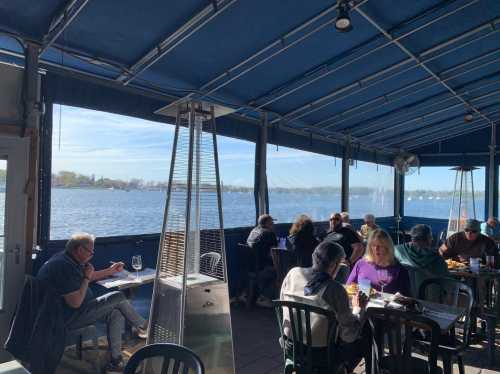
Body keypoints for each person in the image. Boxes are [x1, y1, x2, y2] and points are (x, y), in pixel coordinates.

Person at [37, 233, 148, 372]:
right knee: (118, 296)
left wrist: (110, 271)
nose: (92, 255)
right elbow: (76, 303)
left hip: (74, 311)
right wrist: (86, 277)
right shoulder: (63, 267)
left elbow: (88, 277)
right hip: (64, 318)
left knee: (116, 313)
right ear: (79, 250)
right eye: (90, 252)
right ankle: (143, 326)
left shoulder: (66, 259)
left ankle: (115, 362)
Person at [280, 241, 370, 373]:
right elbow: (349, 335)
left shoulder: (292, 274)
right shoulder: (335, 290)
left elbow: (283, 304)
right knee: (363, 338)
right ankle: (343, 370)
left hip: (290, 346)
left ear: (313, 257)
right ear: (334, 266)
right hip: (321, 355)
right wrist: (358, 308)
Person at [347, 229, 411, 296]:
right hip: (362, 304)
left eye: (380, 246)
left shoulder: (399, 269)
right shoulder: (361, 263)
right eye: (373, 245)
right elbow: (349, 286)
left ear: (388, 247)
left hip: (387, 305)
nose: (376, 249)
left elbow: (407, 297)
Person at [395, 224, 449, 295]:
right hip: (431, 300)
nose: (432, 239)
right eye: (430, 236)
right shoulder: (437, 259)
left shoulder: (397, 251)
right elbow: (446, 280)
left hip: (404, 295)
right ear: (425, 240)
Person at [246, 214, 278, 307]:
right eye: (272, 222)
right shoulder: (269, 233)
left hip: (250, 268)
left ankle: (250, 294)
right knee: (281, 272)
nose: (273, 225)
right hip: (261, 269)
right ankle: (265, 297)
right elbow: (274, 254)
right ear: (267, 223)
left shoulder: (254, 231)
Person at [322, 213, 364, 283]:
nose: (333, 221)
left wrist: (349, 261)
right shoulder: (327, 234)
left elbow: (359, 247)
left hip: (341, 267)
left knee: (339, 289)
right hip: (327, 267)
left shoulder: (346, 232)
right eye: (331, 219)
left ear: (341, 221)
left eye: (336, 219)